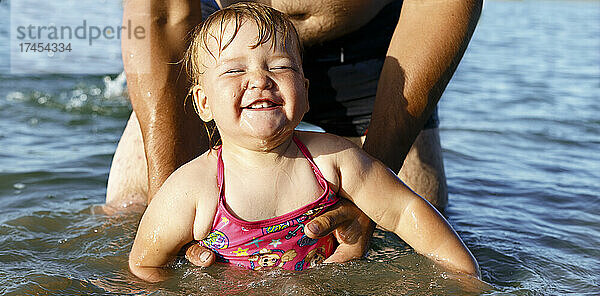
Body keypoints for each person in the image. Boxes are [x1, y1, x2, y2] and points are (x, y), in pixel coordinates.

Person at [109, 0, 483, 266]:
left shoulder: (338, 162)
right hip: (221, 37)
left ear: (306, 90)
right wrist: (166, 219)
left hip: (375, 42)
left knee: (406, 232)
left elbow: (406, 210)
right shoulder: (191, 182)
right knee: (125, 212)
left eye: (273, 69)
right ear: (202, 102)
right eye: (242, 74)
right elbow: (158, 13)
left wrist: (368, 195)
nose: (259, 80)